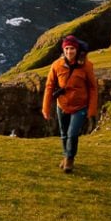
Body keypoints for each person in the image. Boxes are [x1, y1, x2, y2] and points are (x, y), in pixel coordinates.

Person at [42, 34, 99, 173]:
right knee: (63, 134)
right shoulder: (57, 65)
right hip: (62, 105)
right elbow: (49, 86)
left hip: (80, 107)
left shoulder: (86, 66)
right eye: (67, 48)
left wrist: (91, 109)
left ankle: (69, 159)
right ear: (63, 50)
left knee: (72, 134)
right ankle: (66, 155)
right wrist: (46, 107)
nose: (69, 52)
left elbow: (93, 88)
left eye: (72, 48)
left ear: (77, 49)